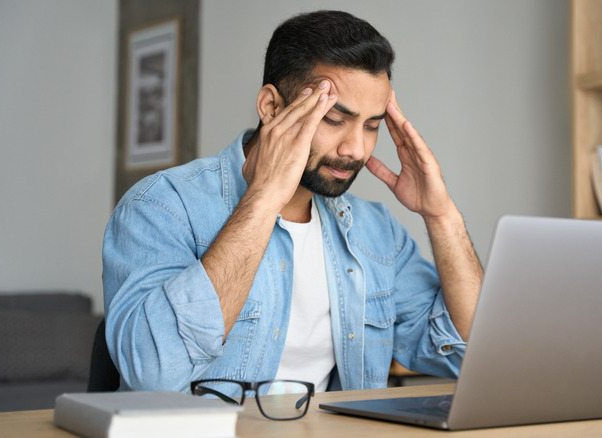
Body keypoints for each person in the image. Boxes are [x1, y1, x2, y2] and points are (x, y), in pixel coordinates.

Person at [102, 10, 483, 394]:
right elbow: (152, 374)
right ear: (271, 107)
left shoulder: (376, 233)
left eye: (371, 126)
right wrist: (265, 199)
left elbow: (469, 357)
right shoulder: (162, 206)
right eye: (334, 119)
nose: (355, 149)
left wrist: (441, 215)